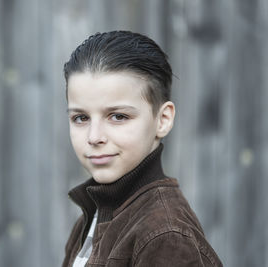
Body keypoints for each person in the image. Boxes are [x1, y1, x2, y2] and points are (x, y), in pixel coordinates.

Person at [62, 31, 222, 267]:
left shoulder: (165, 235)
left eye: (118, 116)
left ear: (163, 119)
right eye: (81, 118)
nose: (94, 137)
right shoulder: (93, 215)